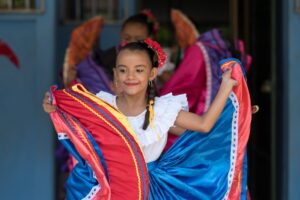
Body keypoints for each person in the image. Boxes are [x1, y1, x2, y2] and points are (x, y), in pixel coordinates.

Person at [43, 38, 252, 199]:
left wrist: (226, 87)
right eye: (123, 70)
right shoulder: (102, 106)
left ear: (152, 74)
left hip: (150, 190)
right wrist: (53, 104)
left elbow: (204, 125)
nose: (130, 76)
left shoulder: (162, 111)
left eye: (139, 70)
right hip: (109, 188)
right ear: (115, 74)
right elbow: (72, 120)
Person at [63, 10, 159, 95]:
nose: (132, 42)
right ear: (120, 35)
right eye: (127, 38)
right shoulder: (111, 56)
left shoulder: (154, 57)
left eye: (139, 39)